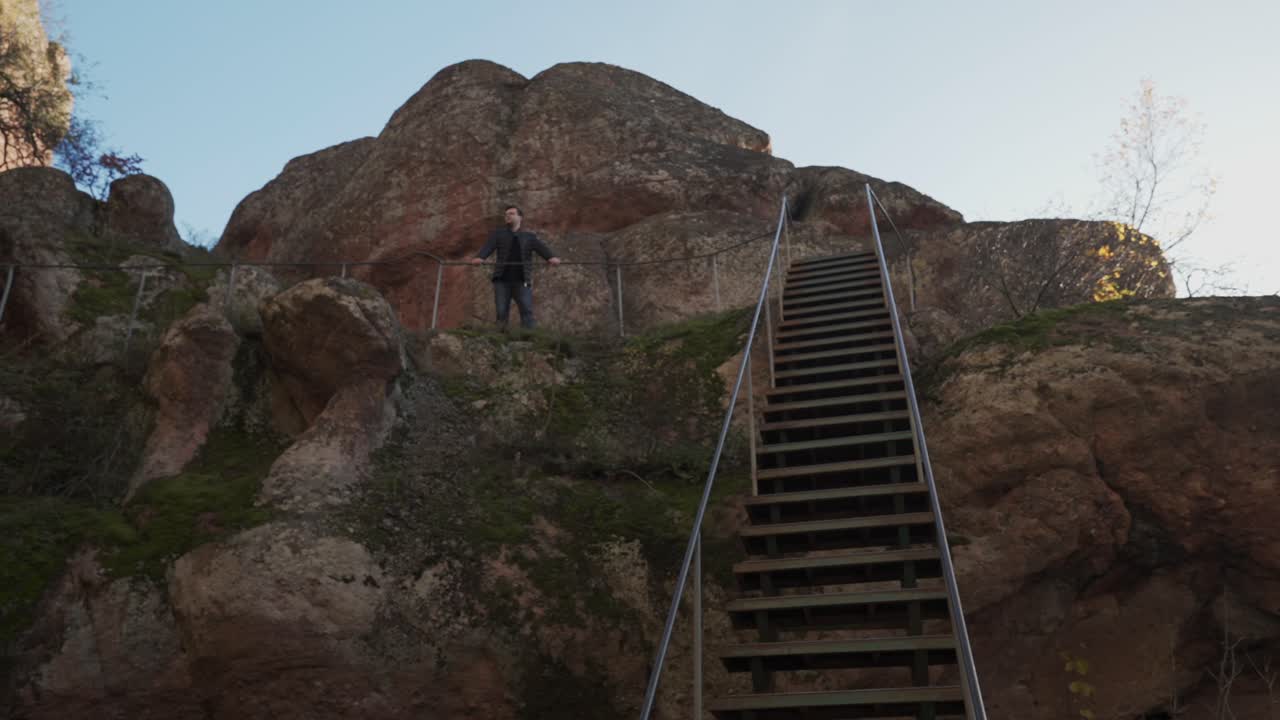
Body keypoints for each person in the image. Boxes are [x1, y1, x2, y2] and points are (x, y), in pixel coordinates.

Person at [470, 205, 561, 329]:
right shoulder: (498, 234)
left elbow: (542, 249)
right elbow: (488, 247)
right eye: (506, 214)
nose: (507, 216)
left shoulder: (529, 237)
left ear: (520, 217)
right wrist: (480, 258)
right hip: (501, 280)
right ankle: (500, 340)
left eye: (511, 213)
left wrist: (551, 258)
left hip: (522, 280)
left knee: (526, 311)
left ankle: (530, 339)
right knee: (501, 312)